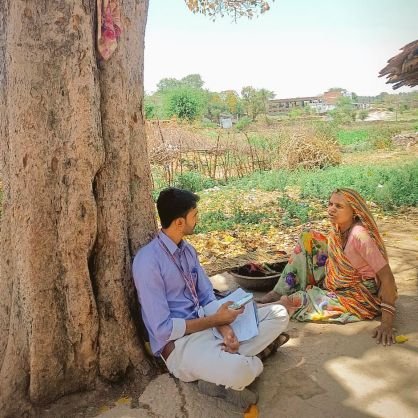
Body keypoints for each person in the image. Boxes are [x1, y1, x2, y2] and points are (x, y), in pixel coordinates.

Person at [133, 188, 289, 410]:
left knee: (278, 314)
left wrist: (226, 330)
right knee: (242, 371)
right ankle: (244, 361)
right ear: (179, 222)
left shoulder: (188, 251)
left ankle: (220, 365)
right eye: (194, 215)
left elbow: (206, 296)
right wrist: (217, 321)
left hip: (210, 324)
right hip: (181, 345)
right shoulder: (147, 262)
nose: (198, 220)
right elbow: (162, 330)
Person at [256, 188, 398, 346]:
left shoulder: (360, 235)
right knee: (308, 238)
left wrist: (386, 323)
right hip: (339, 281)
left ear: (354, 211)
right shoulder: (339, 228)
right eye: (330, 204)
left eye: (339, 206)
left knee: (296, 301)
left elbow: (388, 278)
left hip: (359, 295)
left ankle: (259, 311)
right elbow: (335, 255)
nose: (331, 209)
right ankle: (278, 292)